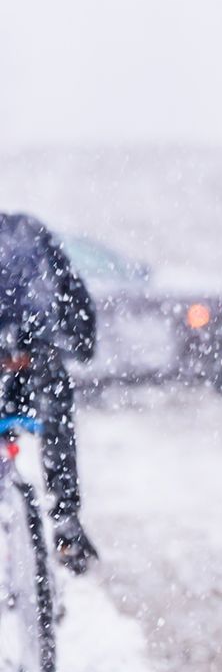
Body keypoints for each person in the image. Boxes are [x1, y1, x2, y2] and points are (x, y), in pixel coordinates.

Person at [0, 212, 98, 574]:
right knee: (55, 424)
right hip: (36, 354)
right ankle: (66, 521)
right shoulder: (30, 232)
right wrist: (83, 344)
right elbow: (73, 292)